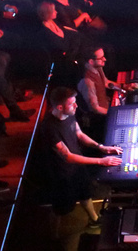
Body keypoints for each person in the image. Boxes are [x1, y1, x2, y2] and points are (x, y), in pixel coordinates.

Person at [43, 87, 121, 217]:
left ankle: (94, 218)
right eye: (71, 103)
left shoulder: (69, 115)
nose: (76, 105)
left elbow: (79, 133)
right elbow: (67, 156)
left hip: (78, 166)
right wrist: (101, 161)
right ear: (60, 107)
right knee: (64, 208)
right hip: (63, 175)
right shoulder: (49, 128)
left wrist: (101, 147)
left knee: (85, 193)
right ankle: (56, 232)